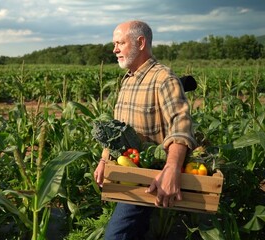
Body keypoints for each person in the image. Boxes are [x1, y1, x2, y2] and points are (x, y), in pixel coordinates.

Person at [93, 20, 197, 239]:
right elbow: (116, 129)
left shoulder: (163, 79)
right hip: (127, 175)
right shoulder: (128, 80)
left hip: (150, 179)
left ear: (140, 42)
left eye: (120, 43)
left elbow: (181, 126)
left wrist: (171, 169)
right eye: (114, 44)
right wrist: (104, 159)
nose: (115, 50)